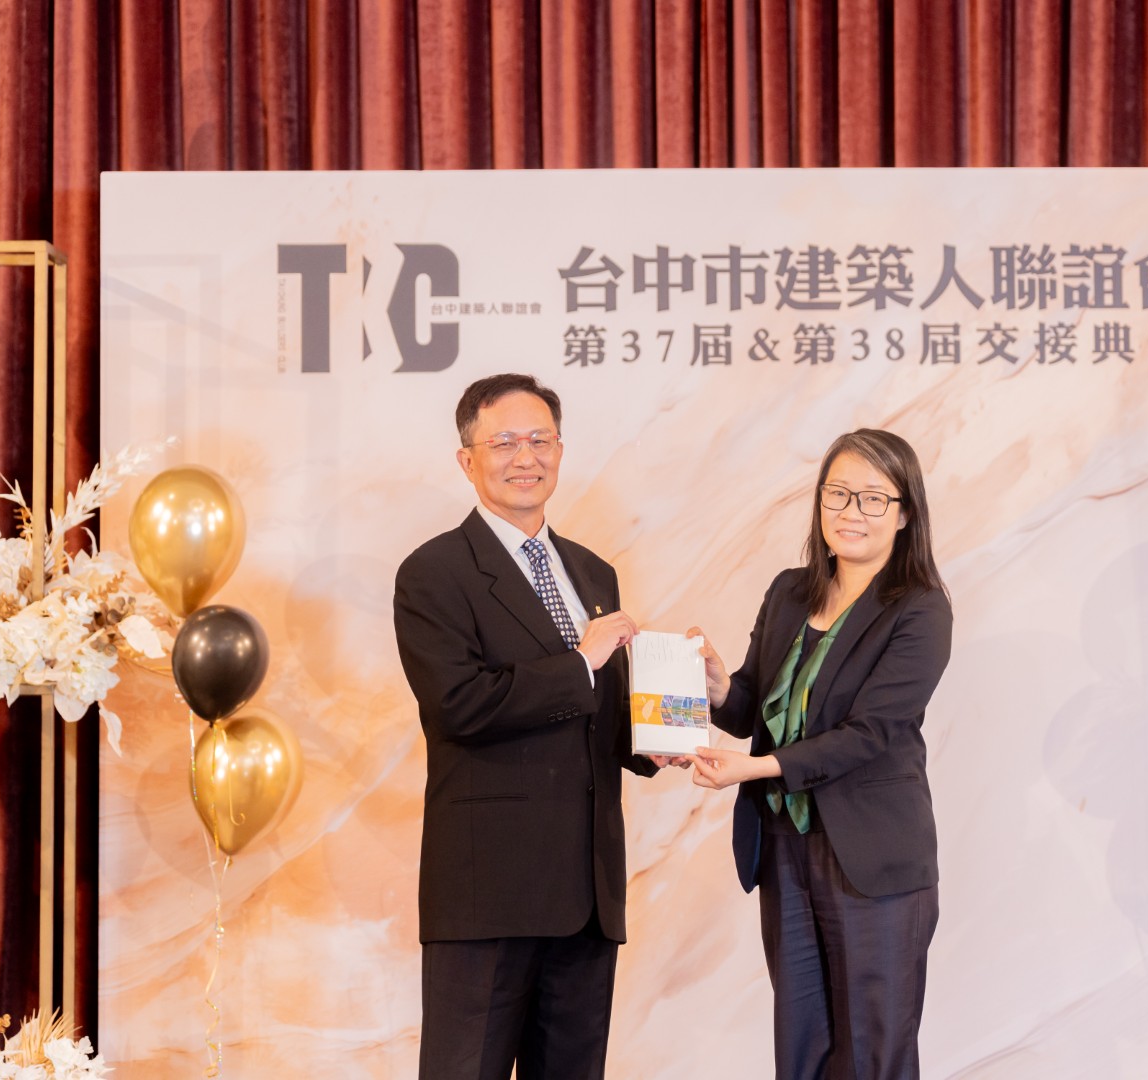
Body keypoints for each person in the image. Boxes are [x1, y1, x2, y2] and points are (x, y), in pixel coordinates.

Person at [393, 373, 678, 1080]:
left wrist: (659, 737)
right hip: (488, 895)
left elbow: (597, 709)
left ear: (560, 450)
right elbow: (459, 705)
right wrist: (581, 661)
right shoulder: (433, 572)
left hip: (587, 896)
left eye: (541, 440)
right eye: (505, 443)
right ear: (467, 459)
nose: (526, 457)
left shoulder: (593, 572)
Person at [690, 428, 952, 1080]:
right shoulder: (789, 592)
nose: (851, 512)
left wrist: (757, 768)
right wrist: (718, 687)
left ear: (904, 513)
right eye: (838, 494)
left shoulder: (919, 610)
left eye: (873, 497)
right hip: (786, 851)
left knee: (872, 1054)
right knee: (801, 1047)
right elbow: (754, 707)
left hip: (872, 859)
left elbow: (872, 733)